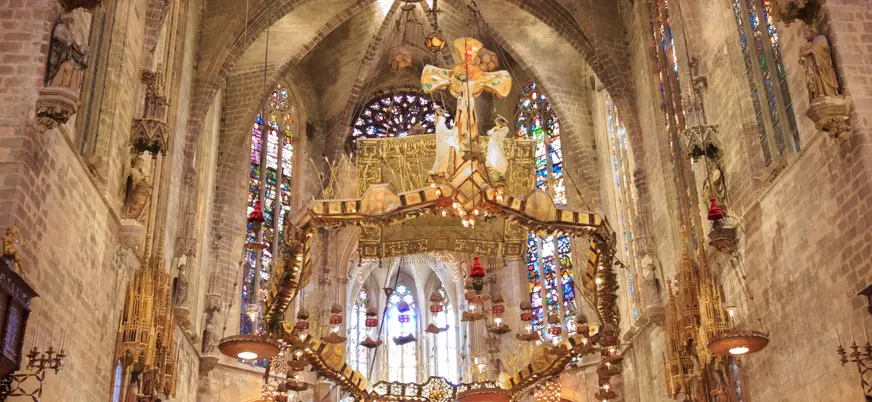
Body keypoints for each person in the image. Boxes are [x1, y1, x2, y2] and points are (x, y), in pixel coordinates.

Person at [46, 13, 88, 90]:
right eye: (72, 22)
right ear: (67, 21)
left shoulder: (70, 33)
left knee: (76, 67)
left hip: (70, 54)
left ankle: (69, 87)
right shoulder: (60, 27)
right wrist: (68, 42)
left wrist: (81, 48)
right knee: (67, 68)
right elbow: (56, 37)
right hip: (63, 54)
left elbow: (75, 45)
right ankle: (59, 84)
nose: (73, 25)